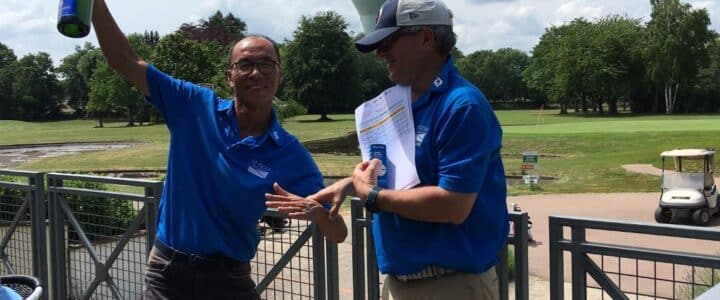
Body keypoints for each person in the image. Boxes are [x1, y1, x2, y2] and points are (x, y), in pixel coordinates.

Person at [90, 0, 347, 299]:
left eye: (266, 64)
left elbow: (338, 233)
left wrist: (318, 214)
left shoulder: (289, 153)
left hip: (229, 280)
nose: (256, 73)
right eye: (245, 65)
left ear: (279, 74)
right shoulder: (193, 106)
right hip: (167, 274)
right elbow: (125, 60)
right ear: (229, 76)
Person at [315, 0, 509, 298]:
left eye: (389, 41)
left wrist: (374, 197)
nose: (381, 54)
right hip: (399, 284)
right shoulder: (398, 103)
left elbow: (453, 205)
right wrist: (350, 184)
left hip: (452, 285)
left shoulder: (462, 105)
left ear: (426, 38)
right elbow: (404, 177)